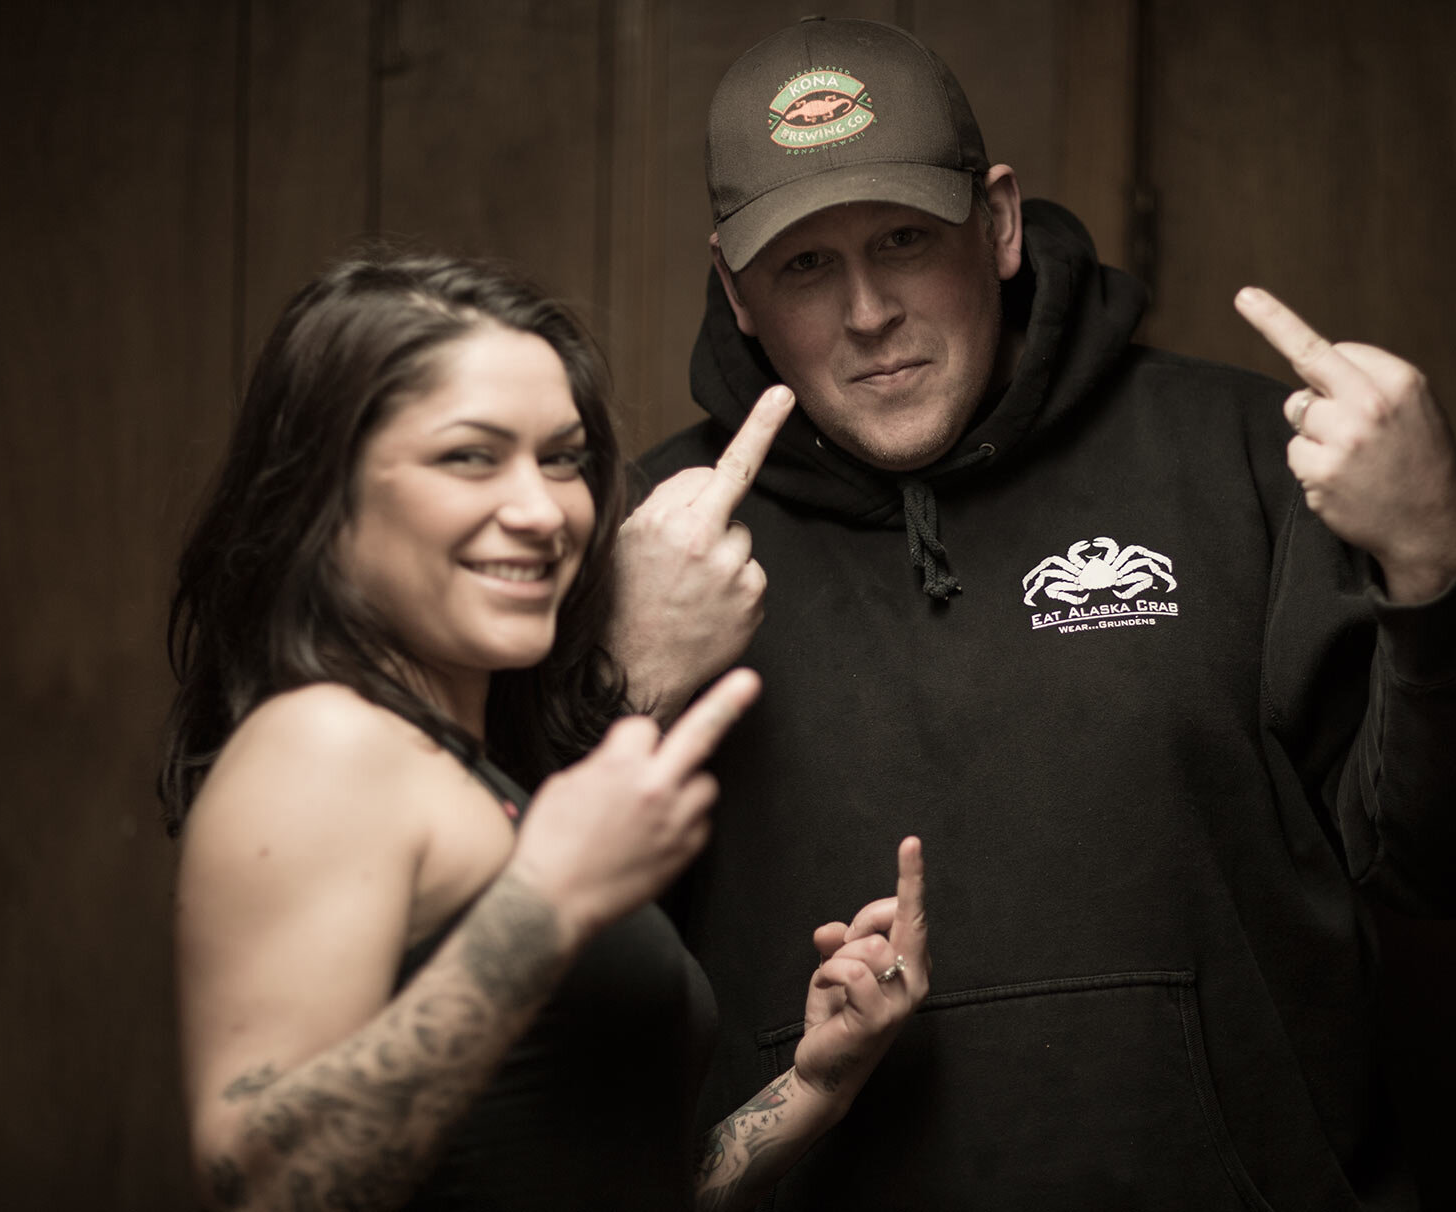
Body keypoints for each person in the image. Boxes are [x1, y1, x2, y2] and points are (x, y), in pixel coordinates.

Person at [611, 17, 1456, 1211]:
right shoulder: (655, 545)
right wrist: (622, 686)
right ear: (736, 293)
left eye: (905, 238)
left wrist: (1440, 553)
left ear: (999, 223)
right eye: (805, 266)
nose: (867, 312)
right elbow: (518, 1008)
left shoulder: (1252, 461)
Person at [160, 252, 931, 1212]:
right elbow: (265, 1186)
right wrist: (546, 904)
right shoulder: (326, 744)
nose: (540, 511)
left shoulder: (467, 772)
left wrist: (812, 1090)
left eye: (561, 459)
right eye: (469, 457)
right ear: (329, 493)